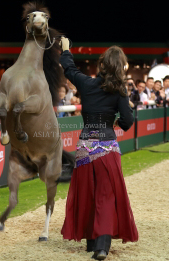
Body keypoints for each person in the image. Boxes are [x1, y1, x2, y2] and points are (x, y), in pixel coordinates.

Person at [59, 37, 138, 260]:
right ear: (121, 67)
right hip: (107, 148)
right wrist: (116, 123)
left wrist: (66, 49)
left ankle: (91, 242)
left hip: (84, 147)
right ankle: (102, 246)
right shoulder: (120, 90)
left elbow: (69, 68)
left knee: (87, 195)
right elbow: (128, 120)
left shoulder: (86, 83)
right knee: (105, 196)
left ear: (101, 65)